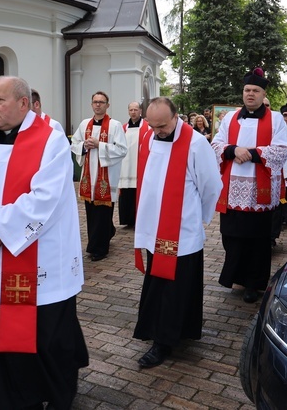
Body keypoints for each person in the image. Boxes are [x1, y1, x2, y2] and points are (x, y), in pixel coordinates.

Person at [0, 76, 88, 409]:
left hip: (42, 263)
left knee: (48, 341)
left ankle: (58, 397)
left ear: (23, 103)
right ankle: (15, 399)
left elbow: (45, 199)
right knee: (4, 341)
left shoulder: (51, 140)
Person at [133, 97, 222, 368]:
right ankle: (157, 329)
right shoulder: (149, 137)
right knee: (157, 284)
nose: (157, 130)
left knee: (176, 287)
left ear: (176, 117)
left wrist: (199, 220)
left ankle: (166, 341)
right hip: (153, 226)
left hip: (180, 230)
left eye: (162, 125)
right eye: (152, 125)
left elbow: (211, 186)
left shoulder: (195, 143)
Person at [211, 67, 287, 303]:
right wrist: (233, 150)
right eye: (247, 90)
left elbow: (282, 151)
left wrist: (252, 154)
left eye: (255, 90)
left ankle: (254, 284)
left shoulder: (275, 119)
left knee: (257, 240)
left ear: (263, 94)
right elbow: (215, 144)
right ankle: (237, 277)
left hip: (259, 193)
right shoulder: (230, 118)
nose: (250, 94)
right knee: (231, 235)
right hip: (233, 189)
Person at [70, 91, 127, 261]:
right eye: (95, 102)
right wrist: (84, 146)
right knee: (91, 212)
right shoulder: (84, 124)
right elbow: (74, 144)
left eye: (101, 102)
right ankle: (107, 232)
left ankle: (99, 249)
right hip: (89, 176)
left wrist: (100, 145)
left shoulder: (115, 126)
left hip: (106, 177)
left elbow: (122, 149)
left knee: (103, 213)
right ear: (91, 104)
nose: (98, 105)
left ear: (107, 105)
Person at [118, 101, 148, 229]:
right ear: (128, 111)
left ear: (140, 111)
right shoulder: (123, 128)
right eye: (131, 110)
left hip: (139, 165)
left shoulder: (147, 127)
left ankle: (139, 219)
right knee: (126, 193)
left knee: (139, 192)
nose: (133, 112)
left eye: (136, 110)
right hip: (125, 166)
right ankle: (128, 219)